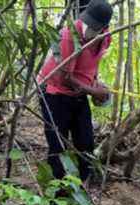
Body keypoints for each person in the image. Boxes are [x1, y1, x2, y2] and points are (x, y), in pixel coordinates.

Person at [37, 0, 113, 185]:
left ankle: (84, 182)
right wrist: (94, 91)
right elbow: (65, 77)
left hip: (79, 92)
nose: (88, 29)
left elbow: (93, 63)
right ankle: (57, 191)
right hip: (54, 90)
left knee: (85, 140)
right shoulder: (70, 36)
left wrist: (95, 82)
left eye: (94, 27)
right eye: (87, 23)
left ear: (103, 28)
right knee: (58, 142)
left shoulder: (106, 37)